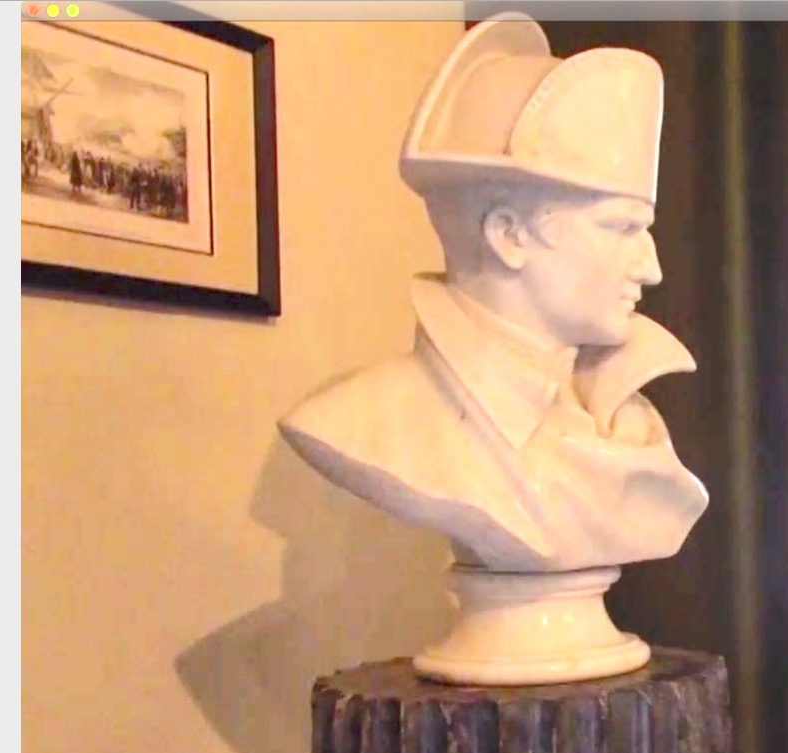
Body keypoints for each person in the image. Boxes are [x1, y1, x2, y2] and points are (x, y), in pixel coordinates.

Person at [277, 14, 709, 575]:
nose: (651, 269)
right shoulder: (361, 424)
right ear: (509, 235)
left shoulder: (625, 419)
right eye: (621, 228)